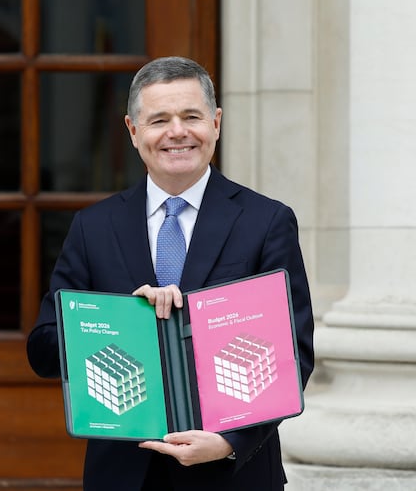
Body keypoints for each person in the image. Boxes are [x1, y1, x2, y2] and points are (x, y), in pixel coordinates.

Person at [26, 56, 314, 490]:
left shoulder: (266, 221)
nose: (177, 132)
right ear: (133, 130)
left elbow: (295, 354)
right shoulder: (93, 226)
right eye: (159, 119)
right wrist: (120, 320)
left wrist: (229, 441)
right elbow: (44, 351)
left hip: (233, 473)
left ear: (215, 123)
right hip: (123, 473)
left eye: (191, 116)